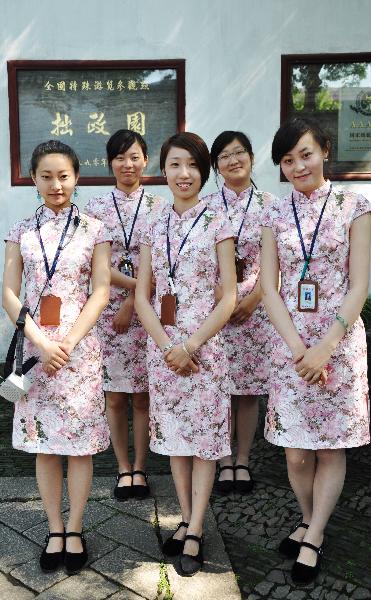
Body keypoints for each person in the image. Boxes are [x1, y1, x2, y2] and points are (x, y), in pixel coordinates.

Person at [260, 117, 371, 585]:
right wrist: (298, 348)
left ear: (324, 150)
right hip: (289, 345)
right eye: (288, 160)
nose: (298, 166)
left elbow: (360, 283)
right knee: (296, 452)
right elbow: (269, 288)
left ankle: (315, 532)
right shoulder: (273, 214)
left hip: (339, 345)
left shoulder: (355, 205)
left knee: (330, 448)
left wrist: (325, 347)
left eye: (305, 154)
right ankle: (307, 518)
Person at [2, 140, 111, 575]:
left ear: (77, 177)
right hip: (35, 352)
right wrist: (43, 344)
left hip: (79, 355)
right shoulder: (21, 231)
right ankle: (53, 528)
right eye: (46, 176)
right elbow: (10, 294)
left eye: (63, 175)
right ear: (33, 179)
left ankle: (77, 527)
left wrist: (67, 342)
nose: (56, 184)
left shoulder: (95, 229)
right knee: (45, 449)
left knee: (80, 450)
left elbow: (101, 290)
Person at [135, 132, 236, 576]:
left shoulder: (219, 220)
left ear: (204, 171)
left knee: (205, 442)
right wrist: (166, 348)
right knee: (176, 440)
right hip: (164, 349)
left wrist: (190, 346)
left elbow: (230, 295)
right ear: (164, 170)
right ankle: (184, 515)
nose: (183, 174)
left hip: (206, 350)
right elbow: (142, 296)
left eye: (192, 165)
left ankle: (195, 527)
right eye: (174, 164)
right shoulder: (153, 224)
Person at [85, 130, 166, 500]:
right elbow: (94, 262)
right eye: (119, 157)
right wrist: (131, 290)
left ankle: (141, 468)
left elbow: (164, 264)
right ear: (110, 163)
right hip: (107, 311)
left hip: (148, 312)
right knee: (115, 396)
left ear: (145, 160)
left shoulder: (161, 207)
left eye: (134, 156)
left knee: (143, 396)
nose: (127, 164)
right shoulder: (96, 209)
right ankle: (122, 468)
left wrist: (134, 298)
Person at [206, 130, 275, 494]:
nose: (233, 161)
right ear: (216, 166)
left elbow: (278, 263)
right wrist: (224, 297)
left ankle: (243, 459)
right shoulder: (205, 208)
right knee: (219, 387)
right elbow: (201, 261)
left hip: (258, 309)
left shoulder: (271, 205)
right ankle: (222, 458)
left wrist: (251, 300)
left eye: (239, 153)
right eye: (224, 156)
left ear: (250, 156)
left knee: (247, 391)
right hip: (216, 310)